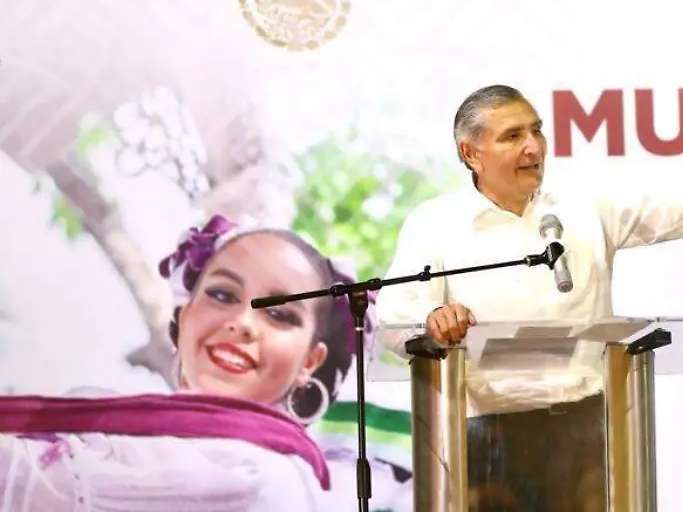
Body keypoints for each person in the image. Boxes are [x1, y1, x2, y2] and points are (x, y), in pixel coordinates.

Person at [375, 83, 683, 511]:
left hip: (587, 427)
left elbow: (670, 208)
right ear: (471, 153)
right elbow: (397, 316)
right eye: (513, 136)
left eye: (536, 130)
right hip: (483, 435)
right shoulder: (435, 223)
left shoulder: (580, 207)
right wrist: (435, 320)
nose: (534, 147)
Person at [0, 215, 411, 512]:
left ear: (309, 361)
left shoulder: (254, 476)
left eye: (279, 314)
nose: (242, 322)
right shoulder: (97, 410)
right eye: (222, 295)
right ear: (184, 316)